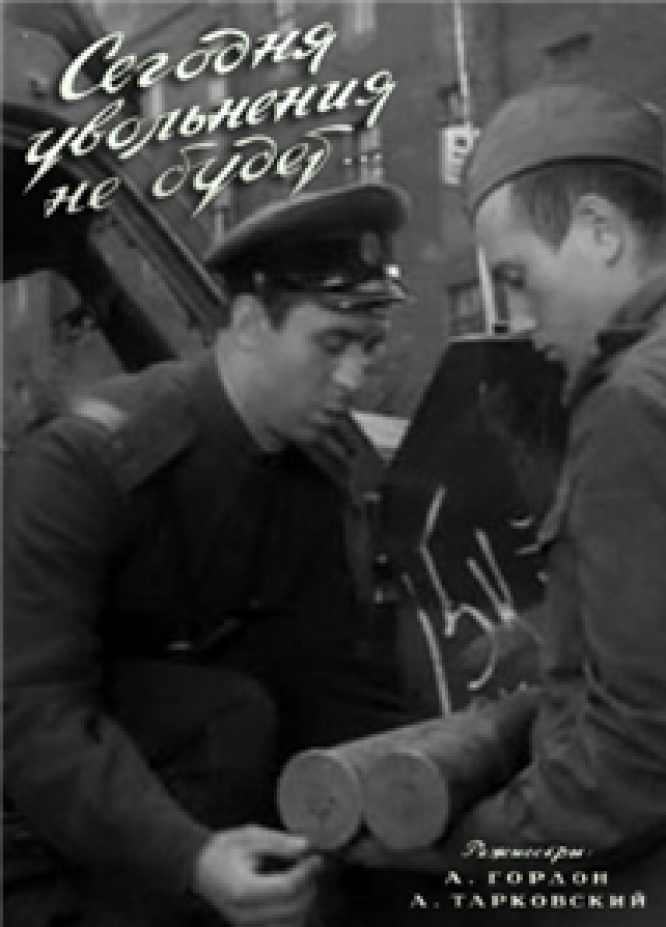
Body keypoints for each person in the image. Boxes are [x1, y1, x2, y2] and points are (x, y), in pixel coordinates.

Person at [3, 181, 422, 927]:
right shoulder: (87, 464)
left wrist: (422, 799)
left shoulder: (312, 471)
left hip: (198, 825)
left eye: (368, 347)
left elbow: (333, 682)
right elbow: (32, 715)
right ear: (252, 322)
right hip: (45, 847)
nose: (353, 378)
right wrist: (190, 859)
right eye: (331, 344)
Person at [347, 84, 666, 925]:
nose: (519, 321)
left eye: (519, 279)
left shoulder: (631, 402)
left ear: (599, 231)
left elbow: (643, 743)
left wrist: (469, 854)